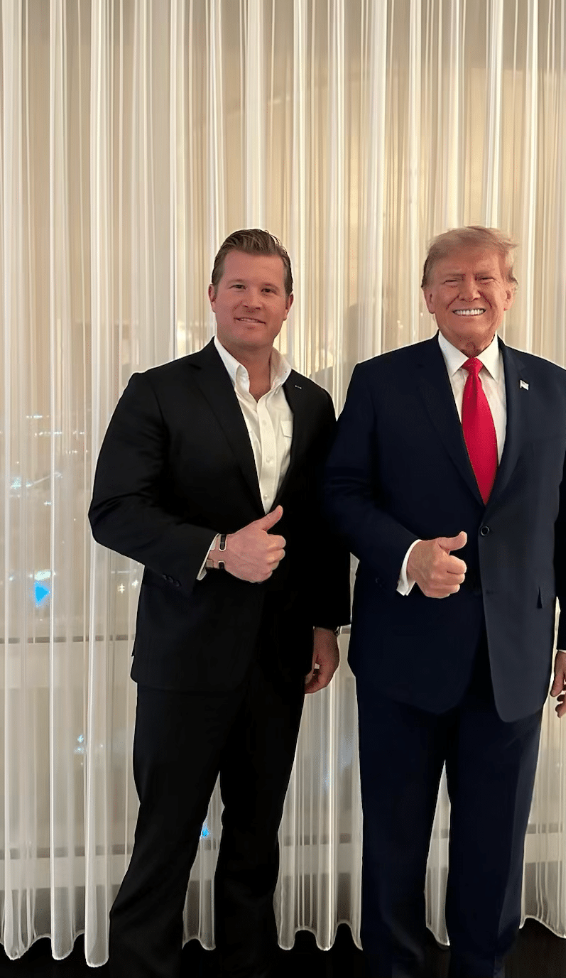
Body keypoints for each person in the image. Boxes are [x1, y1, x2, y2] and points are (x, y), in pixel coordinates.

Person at [324, 226, 566, 978]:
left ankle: (484, 968)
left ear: (509, 291)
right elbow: (341, 494)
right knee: (394, 842)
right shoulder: (380, 382)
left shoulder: (555, 390)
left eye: (485, 278)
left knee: (494, 845)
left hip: (511, 665)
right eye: (450, 279)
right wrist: (407, 555)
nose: (468, 292)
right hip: (401, 660)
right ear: (427, 296)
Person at [89, 229, 349, 978]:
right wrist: (215, 548)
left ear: (289, 304)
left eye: (268, 289)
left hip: (279, 658)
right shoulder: (160, 389)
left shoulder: (314, 400)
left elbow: (323, 528)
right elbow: (114, 510)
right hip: (185, 656)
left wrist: (326, 625)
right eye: (238, 286)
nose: (252, 301)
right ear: (212, 295)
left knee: (256, 836)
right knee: (166, 835)